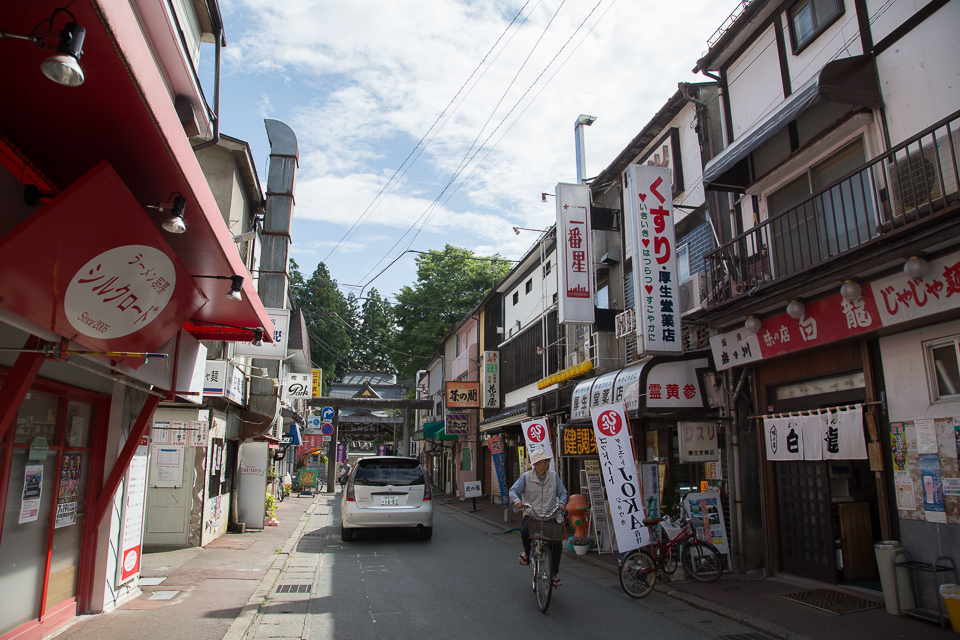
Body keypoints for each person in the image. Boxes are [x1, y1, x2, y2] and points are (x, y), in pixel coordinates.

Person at [509, 449, 568, 588]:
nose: (547, 464)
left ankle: (554, 574)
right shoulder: (526, 477)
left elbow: (563, 492)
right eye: (544, 462)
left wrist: (562, 503)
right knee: (525, 531)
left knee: (556, 543)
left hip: (549, 514)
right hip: (532, 514)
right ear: (536, 464)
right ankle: (527, 553)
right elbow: (513, 491)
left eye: (547, 461)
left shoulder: (554, 477)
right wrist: (517, 501)